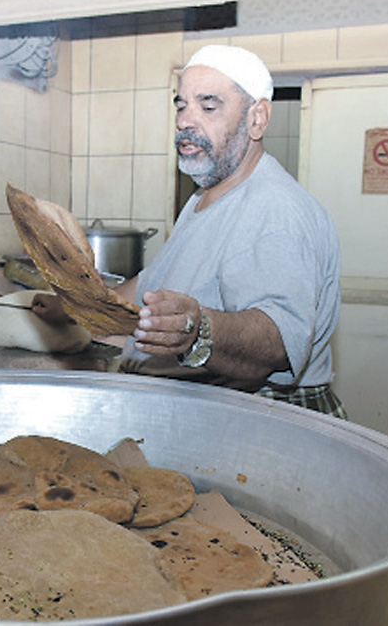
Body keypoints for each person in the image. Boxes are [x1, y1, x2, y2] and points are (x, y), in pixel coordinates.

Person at [115, 44, 345, 418]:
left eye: (208, 107)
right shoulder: (205, 197)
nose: (185, 121)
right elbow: (151, 287)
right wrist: (77, 305)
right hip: (207, 407)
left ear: (257, 118)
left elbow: (276, 340)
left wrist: (199, 330)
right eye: (181, 106)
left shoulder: (276, 209)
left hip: (269, 419)